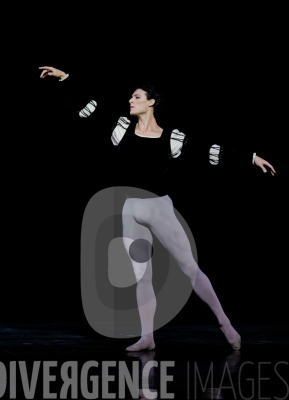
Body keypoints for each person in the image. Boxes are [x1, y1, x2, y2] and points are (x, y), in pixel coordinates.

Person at [38, 66, 276, 352]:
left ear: (151, 102)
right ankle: (147, 336)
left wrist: (249, 158)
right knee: (142, 276)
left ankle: (225, 323)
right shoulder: (121, 129)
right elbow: (89, 109)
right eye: (131, 97)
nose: (131, 100)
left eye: (137, 97)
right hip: (130, 210)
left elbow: (208, 150)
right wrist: (66, 79)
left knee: (189, 268)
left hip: (158, 207)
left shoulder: (171, 138)